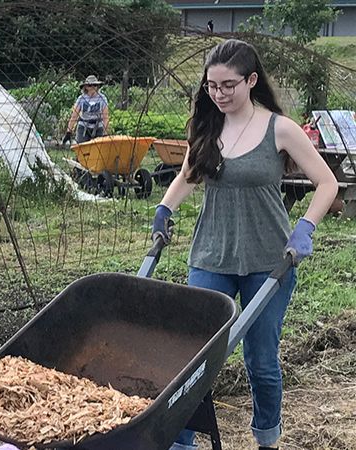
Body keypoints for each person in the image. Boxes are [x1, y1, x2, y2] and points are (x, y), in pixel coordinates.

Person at [151, 39, 337, 450]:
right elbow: (187, 176)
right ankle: (182, 443)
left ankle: (266, 438)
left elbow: (328, 183)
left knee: (261, 360)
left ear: (251, 80)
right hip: (210, 257)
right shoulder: (207, 125)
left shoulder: (280, 128)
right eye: (211, 86)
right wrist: (165, 209)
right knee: (190, 360)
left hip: (269, 262)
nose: (218, 94)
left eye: (228, 85)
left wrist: (304, 228)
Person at [63, 75, 110, 144]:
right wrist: (69, 131)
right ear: (86, 87)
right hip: (84, 125)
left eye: (95, 85)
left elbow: (105, 117)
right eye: (90, 85)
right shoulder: (81, 98)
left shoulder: (102, 98)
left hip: (97, 126)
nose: (93, 87)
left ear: (98, 86)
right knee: (82, 148)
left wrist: (105, 132)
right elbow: (74, 115)